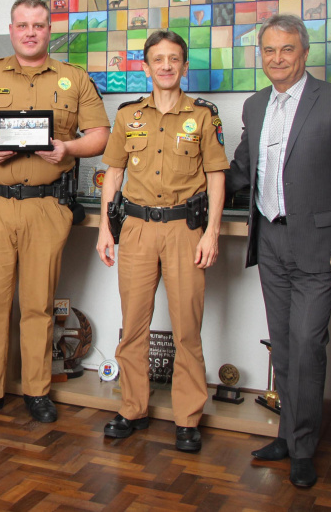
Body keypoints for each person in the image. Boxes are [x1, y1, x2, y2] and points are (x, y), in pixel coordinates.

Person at [0, 0, 110, 423]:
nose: (30, 31)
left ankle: (37, 391)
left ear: (49, 30)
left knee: (38, 303)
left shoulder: (74, 78)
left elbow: (100, 135)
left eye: (38, 24)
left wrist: (68, 148)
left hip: (46, 207)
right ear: (12, 29)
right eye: (23, 25)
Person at [227, 14, 331, 487]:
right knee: (284, 346)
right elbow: (243, 170)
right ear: (261, 56)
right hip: (271, 241)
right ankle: (288, 436)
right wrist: (193, 191)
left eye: (286, 49)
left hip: (319, 246)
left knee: (308, 345)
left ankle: (305, 448)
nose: (277, 58)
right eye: (269, 50)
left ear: (304, 52)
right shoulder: (254, 105)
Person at [95, 30, 228, 453]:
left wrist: (211, 231)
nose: (166, 66)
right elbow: (113, 173)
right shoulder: (128, 114)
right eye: (158, 59)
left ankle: (188, 417)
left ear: (184, 67)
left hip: (184, 229)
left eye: (174, 59)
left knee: (187, 327)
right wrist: (105, 228)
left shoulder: (204, 115)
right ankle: (132, 408)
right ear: (146, 67)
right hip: (135, 227)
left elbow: (216, 175)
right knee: (133, 323)